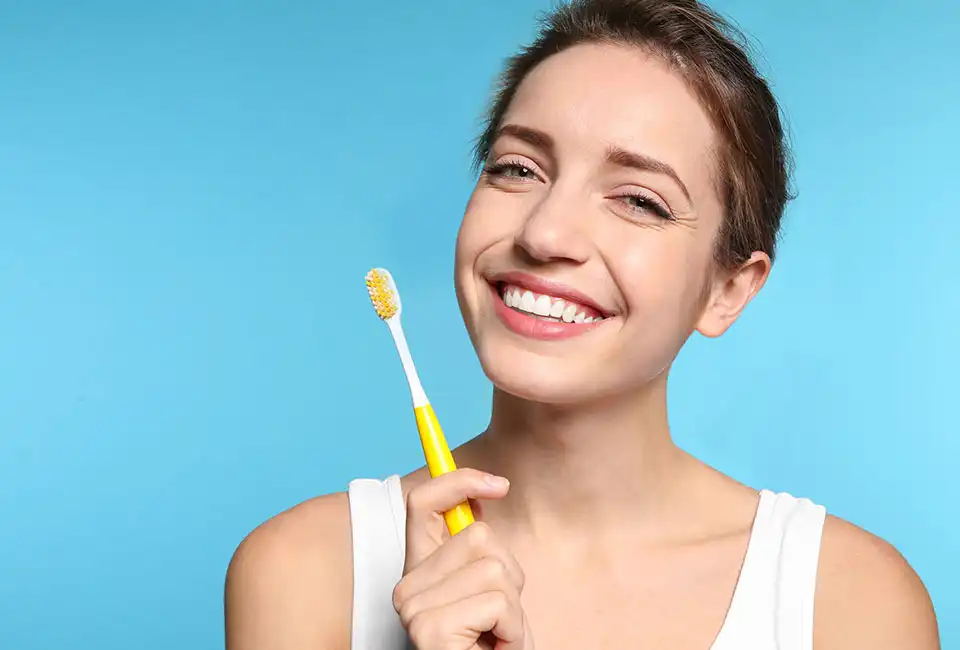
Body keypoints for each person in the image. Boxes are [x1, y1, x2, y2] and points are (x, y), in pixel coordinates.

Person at [224, 1, 940, 648]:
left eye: (638, 200)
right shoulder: (304, 573)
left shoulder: (850, 602)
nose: (547, 232)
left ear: (728, 289)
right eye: (518, 169)